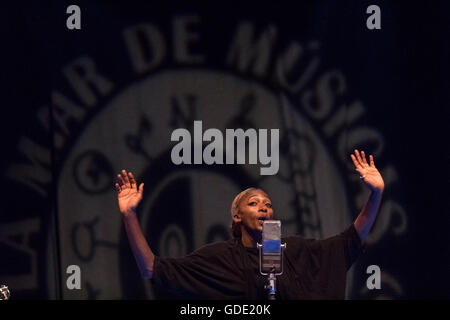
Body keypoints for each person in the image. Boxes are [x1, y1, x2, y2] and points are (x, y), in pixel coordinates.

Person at [115, 149, 384, 299]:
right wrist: (129, 216)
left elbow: (350, 241)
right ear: (237, 216)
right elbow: (151, 268)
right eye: (254, 203)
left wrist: (376, 194)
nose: (264, 207)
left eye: (268, 204)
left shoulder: (293, 252)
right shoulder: (220, 258)